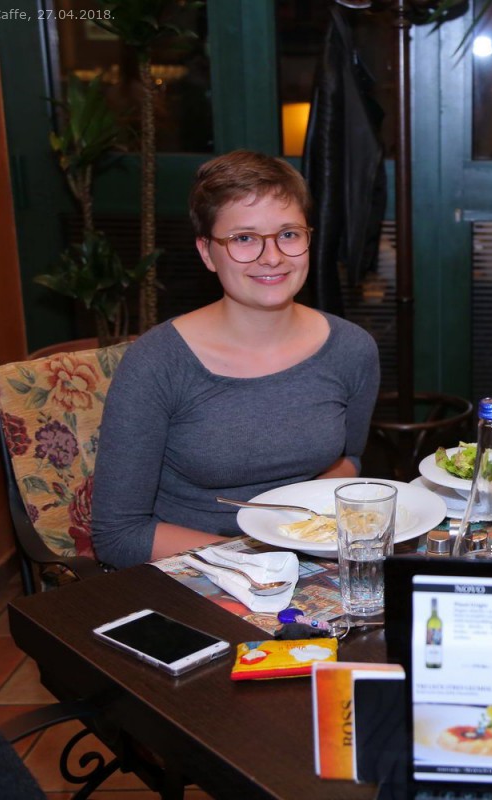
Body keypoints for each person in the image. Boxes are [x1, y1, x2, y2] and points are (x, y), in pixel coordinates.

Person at [92, 150, 380, 568]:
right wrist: (263, 559)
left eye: (288, 234)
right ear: (207, 253)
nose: (272, 256)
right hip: (195, 568)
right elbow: (118, 535)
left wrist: (303, 536)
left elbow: (349, 459)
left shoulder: (352, 349)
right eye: (244, 238)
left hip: (309, 558)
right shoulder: (156, 363)